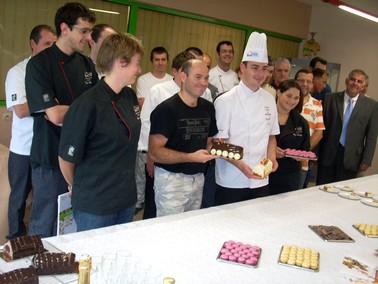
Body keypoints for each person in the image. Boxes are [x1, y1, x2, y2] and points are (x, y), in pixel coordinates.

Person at [25, 2, 98, 237]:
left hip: (81, 157)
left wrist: (71, 110)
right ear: (65, 28)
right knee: (45, 223)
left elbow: (98, 109)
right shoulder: (39, 65)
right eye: (83, 31)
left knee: (73, 225)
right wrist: (82, 110)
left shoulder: (87, 65)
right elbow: (54, 115)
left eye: (90, 32)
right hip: (50, 158)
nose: (88, 38)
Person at [59, 33, 143, 232]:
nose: (140, 70)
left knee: (119, 255)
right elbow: (65, 159)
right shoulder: (86, 105)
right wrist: (79, 187)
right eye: (137, 63)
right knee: (93, 259)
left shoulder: (129, 96)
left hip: (125, 198)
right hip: (95, 204)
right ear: (120, 63)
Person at [140, 51, 211, 219]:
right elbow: (150, 138)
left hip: (197, 177)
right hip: (170, 177)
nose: (202, 83)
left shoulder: (207, 105)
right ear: (182, 75)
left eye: (206, 78)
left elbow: (209, 138)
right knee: (165, 226)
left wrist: (218, 150)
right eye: (197, 76)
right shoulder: (164, 103)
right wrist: (150, 158)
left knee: (189, 226)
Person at [214, 32, 279, 205]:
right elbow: (218, 143)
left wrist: (272, 157)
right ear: (242, 68)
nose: (260, 73)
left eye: (264, 68)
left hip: (261, 179)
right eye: (255, 67)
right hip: (231, 180)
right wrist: (241, 165)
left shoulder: (270, 99)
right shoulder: (225, 100)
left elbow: (271, 135)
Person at [5, 25, 56, 240]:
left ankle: (41, 242)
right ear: (32, 44)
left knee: (45, 199)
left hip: (48, 147)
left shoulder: (53, 73)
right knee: (18, 199)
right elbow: (21, 109)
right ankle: (15, 240)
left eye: (54, 44)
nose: (50, 49)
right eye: (46, 44)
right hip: (23, 149)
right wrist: (51, 105)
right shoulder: (18, 72)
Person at [316, 69, 378, 185]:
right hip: (327, 154)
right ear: (346, 81)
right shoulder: (330, 99)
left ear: (363, 86)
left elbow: (371, 136)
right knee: (321, 190)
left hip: (352, 158)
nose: (355, 83)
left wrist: (366, 160)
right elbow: (320, 128)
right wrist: (315, 152)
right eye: (352, 79)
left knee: (344, 192)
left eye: (359, 81)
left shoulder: (372, 106)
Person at [135, 46, 173, 214]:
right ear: (152, 62)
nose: (160, 63)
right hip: (147, 136)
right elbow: (143, 104)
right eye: (157, 60)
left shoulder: (172, 80)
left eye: (163, 59)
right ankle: (139, 204)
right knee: (143, 177)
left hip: (167, 138)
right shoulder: (144, 80)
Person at [269, 79, 310, 195]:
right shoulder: (265, 116)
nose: (292, 101)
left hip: (290, 177)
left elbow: (306, 150)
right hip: (266, 173)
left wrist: (298, 155)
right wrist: (270, 151)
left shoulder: (301, 123)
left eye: (296, 98)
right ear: (278, 93)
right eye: (288, 95)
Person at [295, 68, 325, 188]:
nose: (305, 84)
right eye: (301, 81)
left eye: (308, 81)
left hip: (303, 163)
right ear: (295, 81)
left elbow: (319, 133)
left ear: (312, 84)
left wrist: (302, 152)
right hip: (281, 160)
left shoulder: (317, 105)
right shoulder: (287, 101)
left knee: (295, 199)